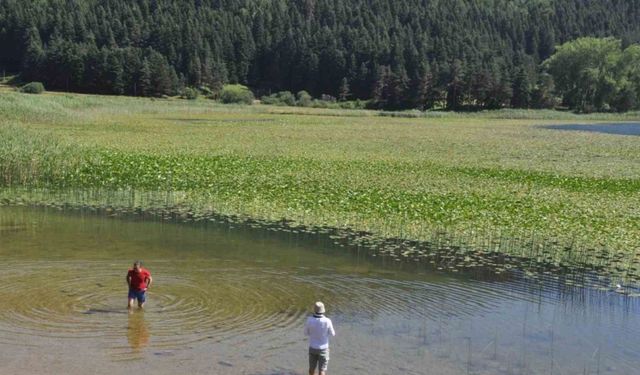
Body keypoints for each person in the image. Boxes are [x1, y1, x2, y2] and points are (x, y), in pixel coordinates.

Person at [304, 301, 336, 375]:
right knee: (322, 370)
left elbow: (305, 333)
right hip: (324, 348)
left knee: (311, 369)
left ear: (314, 310)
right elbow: (333, 333)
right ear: (323, 310)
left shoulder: (309, 320)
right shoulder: (327, 321)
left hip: (312, 347)